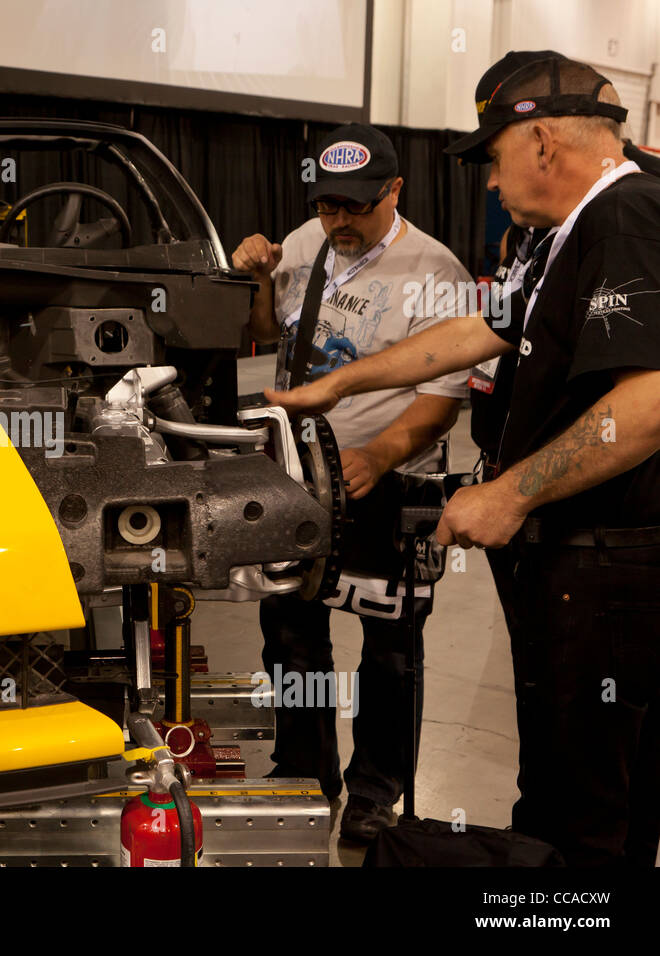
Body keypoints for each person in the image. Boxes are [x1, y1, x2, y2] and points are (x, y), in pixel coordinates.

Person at [265, 53, 660, 866]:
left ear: (542, 140)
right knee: (554, 785)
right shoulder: (558, 238)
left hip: (610, 570)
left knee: (591, 810)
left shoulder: (628, 216)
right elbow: (478, 330)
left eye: (493, 155)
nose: (489, 181)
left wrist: (510, 494)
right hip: (566, 570)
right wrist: (333, 386)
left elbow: (649, 403)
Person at [231, 123, 471, 842]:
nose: (338, 221)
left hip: (387, 483)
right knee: (291, 630)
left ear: (394, 191)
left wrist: (382, 455)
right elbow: (262, 332)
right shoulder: (304, 243)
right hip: (299, 476)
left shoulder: (437, 270)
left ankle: (374, 792)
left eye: (354, 208)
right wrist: (255, 279)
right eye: (328, 204)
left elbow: (444, 394)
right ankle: (305, 769)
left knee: (391, 648)